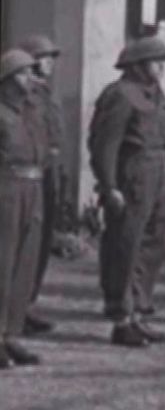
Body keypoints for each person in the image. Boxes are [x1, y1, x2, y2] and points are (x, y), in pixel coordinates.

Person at [88, 36, 165, 347]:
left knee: (154, 242)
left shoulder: (154, 94)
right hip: (133, 175)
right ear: (137, 66)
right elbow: (105, 144)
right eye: (156, 62)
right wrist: (109, 185)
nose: (162, 68)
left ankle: (139, 310)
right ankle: (121, 316)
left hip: (158, 170)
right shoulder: (121, 96)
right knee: (125, 244)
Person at [0, 49, 48, 367]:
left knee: (25, 264)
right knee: (3, 262)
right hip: (6, 187)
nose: (29, 78)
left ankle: (12, 334)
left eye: (31, 72)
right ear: (5, 80)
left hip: (33, 187)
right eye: (22, 73)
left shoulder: (32, 111)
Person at [16, 35, 64, 337]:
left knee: (42, 243)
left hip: (49, 172)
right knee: (24, 244)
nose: (50, 64)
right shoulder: (23, 94)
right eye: (45, 57)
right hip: (30, 172)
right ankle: (15, 308)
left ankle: (26, 304)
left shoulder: (46, 94)